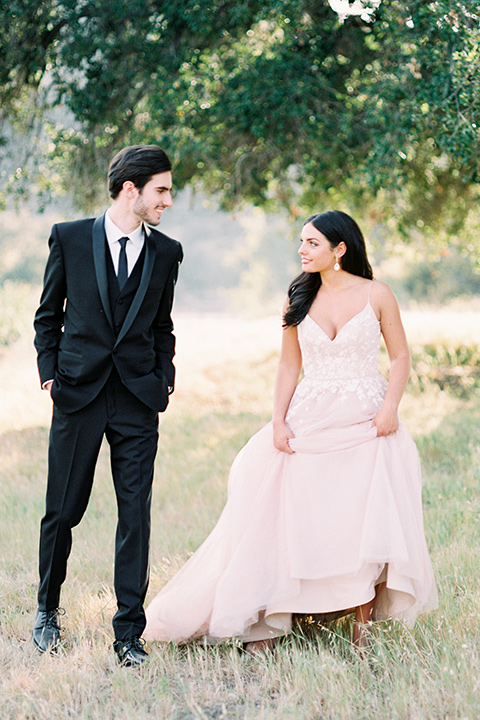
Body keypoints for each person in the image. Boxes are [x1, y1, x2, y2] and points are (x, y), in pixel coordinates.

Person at [144, 210, 437, 653]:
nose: (302, 250)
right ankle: (272, 616)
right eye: (301, 242)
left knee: (362, 518)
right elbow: (289, 364)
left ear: (340, 249)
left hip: (367, 419)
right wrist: (279, 420)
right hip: (312, 413)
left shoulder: (378, 294)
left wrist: (390, 408)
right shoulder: (298, 297)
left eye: (312, 243)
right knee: (284, 506)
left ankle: (362, 630)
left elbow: (400, 358)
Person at [32, 144, 183, 666]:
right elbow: (47, 316)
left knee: (134, 515)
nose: (168, 200)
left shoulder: (167, 253)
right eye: (161, 190)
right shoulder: (70, 238)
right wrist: (50, 377)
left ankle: (127, 634)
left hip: (138, 399)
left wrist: (163, 379)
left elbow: (162, 326)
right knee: (63, 509)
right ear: (130, 189)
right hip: (77, 392)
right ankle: (47, 611)